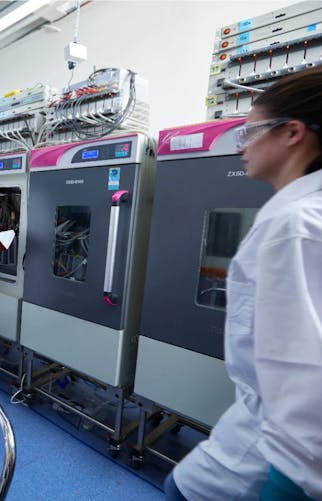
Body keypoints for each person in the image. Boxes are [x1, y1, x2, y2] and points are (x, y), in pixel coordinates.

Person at [166, 67, 322, 500]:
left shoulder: (297, 224)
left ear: (292, 133)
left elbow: (306, 374)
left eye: (251, 132)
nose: (243, 146)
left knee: (180, 489)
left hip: (282, 447)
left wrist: (288, 484)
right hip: (270, 430)